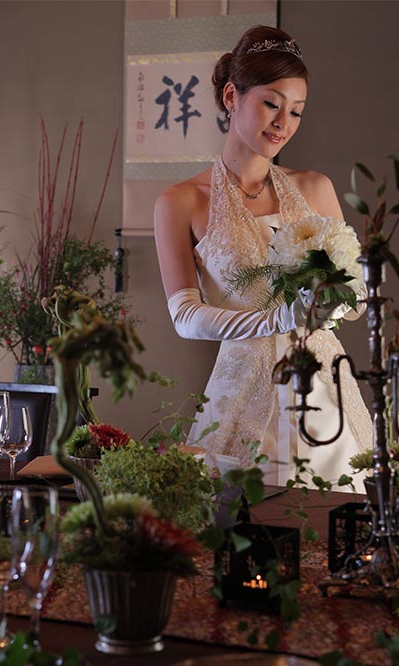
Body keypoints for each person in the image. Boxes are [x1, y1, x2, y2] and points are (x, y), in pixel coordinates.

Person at [154, 25, 372, 490]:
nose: (283, 123)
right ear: (232, 96)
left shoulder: (315, 187)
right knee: (236, 517)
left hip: (323, 393)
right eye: (272, 104)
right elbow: (185, 316)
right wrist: (275, 320)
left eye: (296, 111)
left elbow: (356, 298)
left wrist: (328, 307)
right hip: (239, 393)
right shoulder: (181, 201)